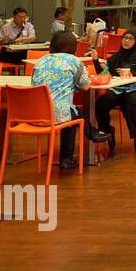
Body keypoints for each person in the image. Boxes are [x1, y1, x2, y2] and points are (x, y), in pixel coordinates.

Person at [31, 31, 108, 170]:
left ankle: (85, 141)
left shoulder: (41, 60)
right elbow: (85, 86)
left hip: (36, 114)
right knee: (70, 114)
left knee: (72, 112)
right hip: (57, 115)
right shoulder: (73, 61)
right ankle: (90, 136)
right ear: (73, 46)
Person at [95, 30, 136, 150]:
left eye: (130, 38)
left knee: (130, 101)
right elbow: (103, 75)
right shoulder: (115, 58)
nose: (126, 41)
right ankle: (108, 131)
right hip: (119, 89)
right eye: (125, 38)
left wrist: (132, 73)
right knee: (101, 103)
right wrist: (95, 60)